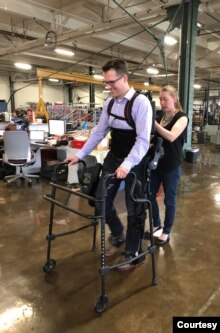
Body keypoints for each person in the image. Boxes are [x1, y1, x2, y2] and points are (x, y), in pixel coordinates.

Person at [66, 59, 153, 271]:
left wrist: (128, 164)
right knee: (100, 201)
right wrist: (80, 154)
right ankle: (117, 232)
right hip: (114, 157)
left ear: (124, 78)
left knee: (135, 208)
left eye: (112, 82)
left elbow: (143, 141)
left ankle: (133, 252)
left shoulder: (141, 103)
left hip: (135, 161)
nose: (108, 86)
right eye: (106, 83)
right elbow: (99, 132)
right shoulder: (110, 103)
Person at [148, 85, 188, 245]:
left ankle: (166, 231)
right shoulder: (160, 117)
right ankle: (156, 224)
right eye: (160, 99)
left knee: (169, 200)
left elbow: (171, 136)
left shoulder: (182, 117)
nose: (162, 102)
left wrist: (153, 123)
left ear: (175, 99)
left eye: (165, 99)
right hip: (156, 164)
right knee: (149, 196)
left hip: (171, 166)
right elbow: (153, 136)